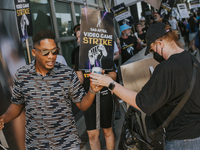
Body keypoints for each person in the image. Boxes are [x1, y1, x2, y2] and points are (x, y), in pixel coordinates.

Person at [90, 23, 200, 150]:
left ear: (160, 43)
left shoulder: (166, 67)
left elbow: (142, 102)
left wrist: (110, 83)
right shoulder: (192, 60)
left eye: (153, 49)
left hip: (180, 140)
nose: (154, 54)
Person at [0, 29, 102, 150]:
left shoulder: (67, 73)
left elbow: (82, 105)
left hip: (67, 143)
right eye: (45, 52)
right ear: (34, 52)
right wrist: (4, 118)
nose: (51, 56)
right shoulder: (22, 75)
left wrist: (92, 91)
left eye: (54, 51)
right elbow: (17, 105)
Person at [74, 42, 117, 150]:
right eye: (78, 37)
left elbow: (113, 75)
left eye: (81, 37)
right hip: (88, 96)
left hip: (104, 95)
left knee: (107, 130)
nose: (79, 39)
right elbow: (80, 78)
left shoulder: (105, 53)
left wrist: (103, 77)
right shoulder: (78, 54)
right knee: (92, 134)